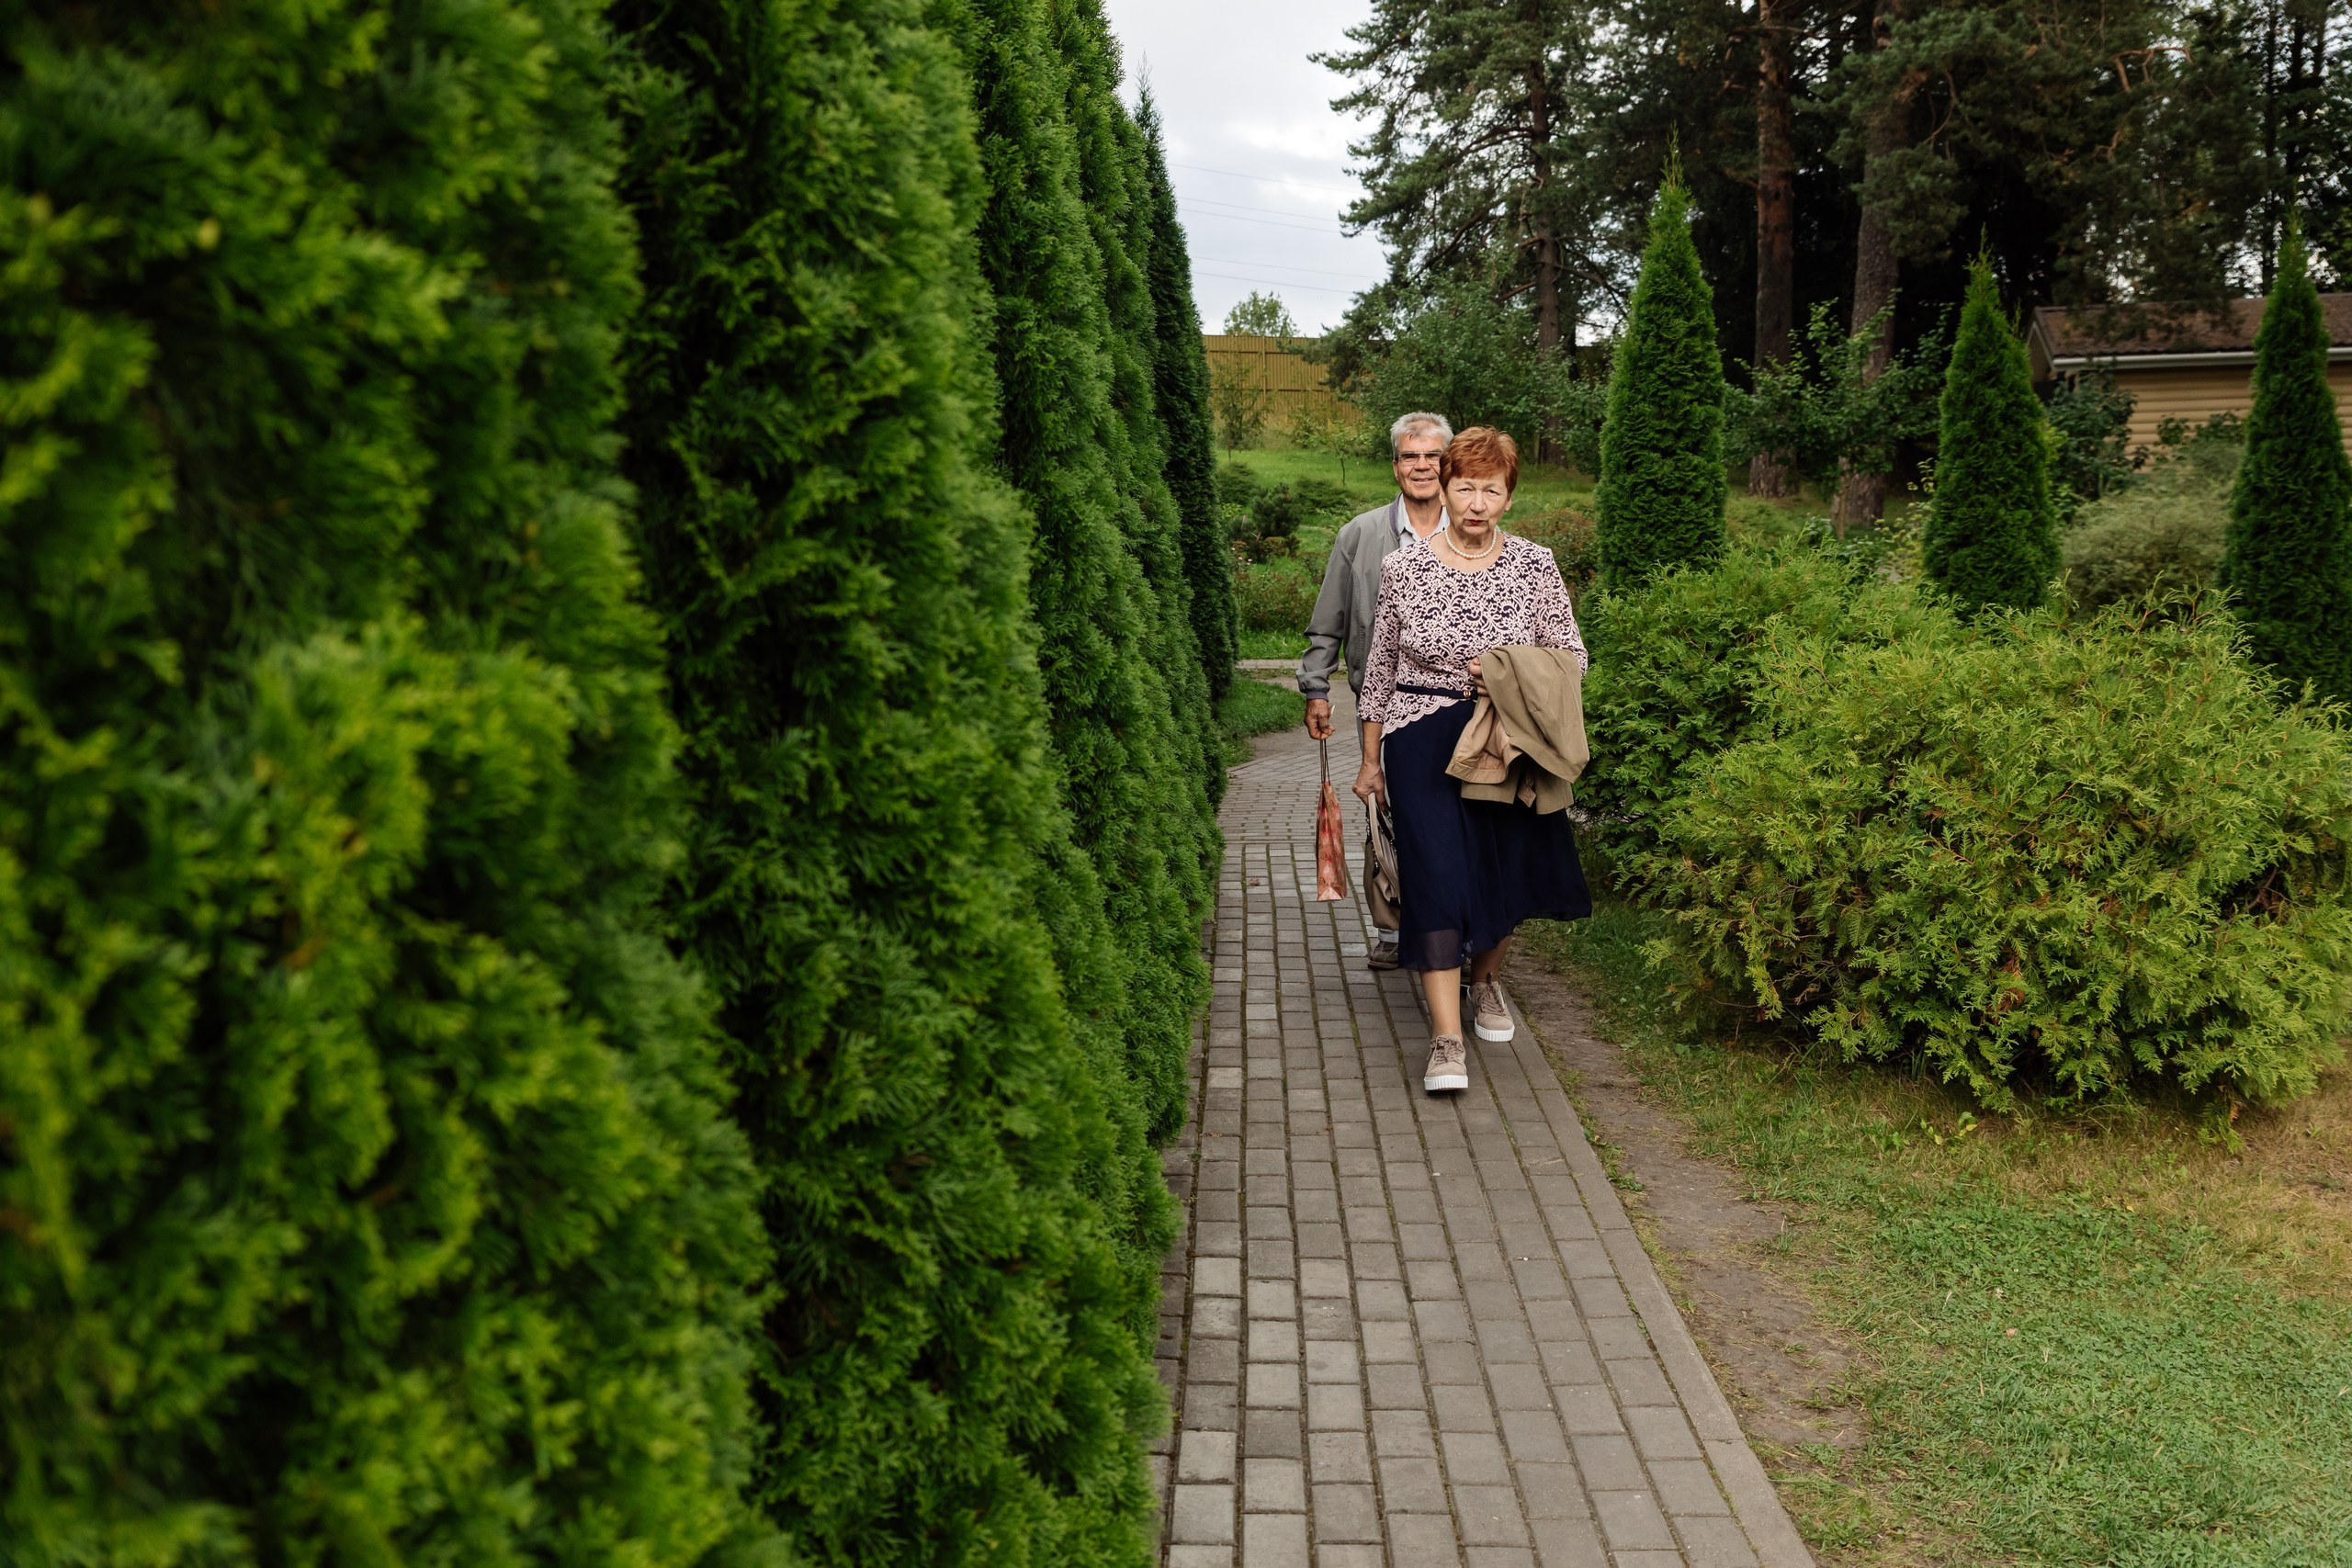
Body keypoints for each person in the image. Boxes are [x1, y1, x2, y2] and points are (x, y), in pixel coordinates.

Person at [1352, 427, 1592, 1093]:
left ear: (1509, 496)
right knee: (1436, 873)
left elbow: (1573, 656)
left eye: (1492, 489)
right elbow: (1380, 670)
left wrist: (1510, 672)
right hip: (1421, 734)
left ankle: (1486, 982)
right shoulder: (1404, 567)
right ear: (1445, 488)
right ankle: (1445, 1038)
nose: (1478, 502)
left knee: (1501, 865)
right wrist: (1369, 759)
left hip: (1507, 738)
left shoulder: (1535, 565)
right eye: (1466, 487)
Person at [1300, 411, 1451, 969]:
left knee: (1450, 818)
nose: (1421, 466)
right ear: (1394, 466)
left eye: (1432, 456)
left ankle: (1450, 927)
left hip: (1459, 704)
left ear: (1447, 463)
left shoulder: (1469, 530)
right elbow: (1328, 621)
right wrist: (1317, 689)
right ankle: (1392, 927)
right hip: (1381, 705)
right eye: (1410, 456)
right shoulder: (1360, 535)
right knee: (1383, 809)